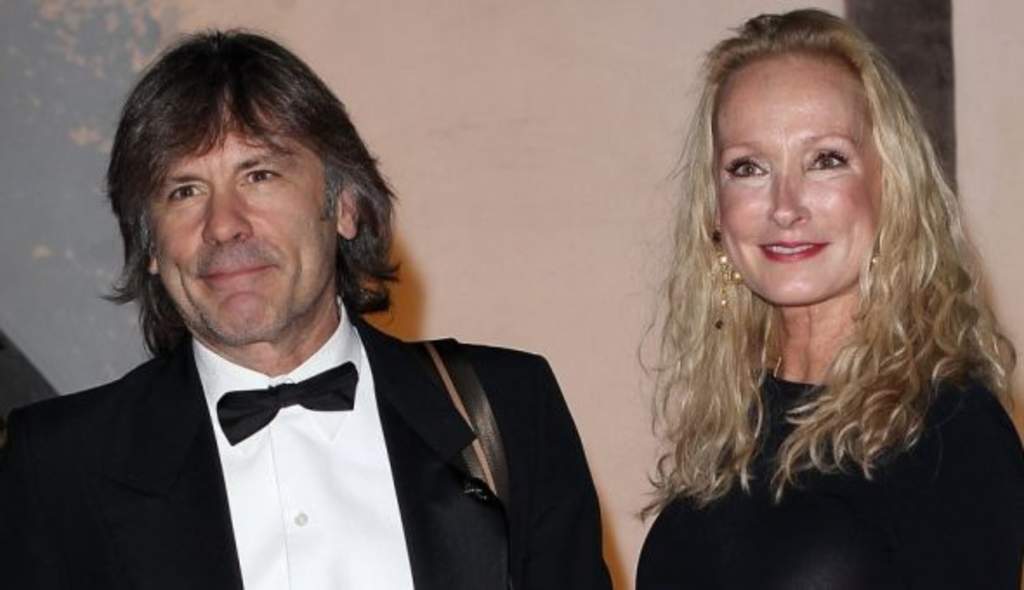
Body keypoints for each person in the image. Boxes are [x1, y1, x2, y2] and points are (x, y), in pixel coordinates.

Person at [0, 30, 611, 590]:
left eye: (259, 175)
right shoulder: (59, 468)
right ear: (151, 246)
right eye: (185, 191)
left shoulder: (508, 410)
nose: (223, 225)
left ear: (343, 205)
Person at [637, 9, 1023, 590]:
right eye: (748, 167)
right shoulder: (730, 430)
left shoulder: (949, 430)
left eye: (826, 160)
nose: (784, 206)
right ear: (715, 212)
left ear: (891, 189)